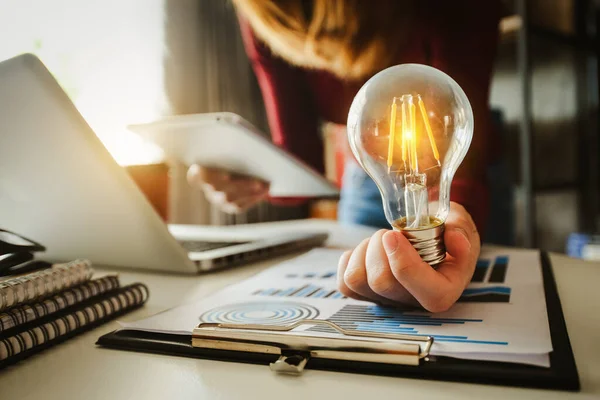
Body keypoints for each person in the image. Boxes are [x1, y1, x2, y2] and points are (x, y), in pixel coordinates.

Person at [187, 0, 502, 312]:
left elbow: (460, 134)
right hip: (371, 173)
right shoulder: (268, 12)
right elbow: (300, 156)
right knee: (370, 286)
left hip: (461, 163)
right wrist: (241, 175)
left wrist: (457, 223)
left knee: (483, 288)